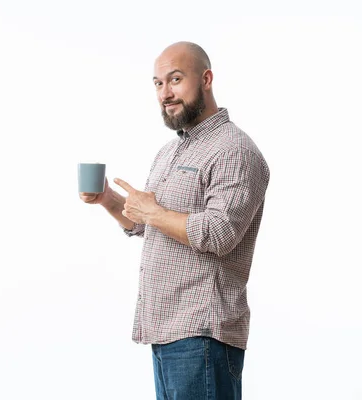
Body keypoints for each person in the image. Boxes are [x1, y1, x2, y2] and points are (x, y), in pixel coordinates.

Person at [79, 41, 270, 400]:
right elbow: (148, 223)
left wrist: (152, 212)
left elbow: (220, 233)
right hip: (165, 331)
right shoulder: (170, 152)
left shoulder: (234, 150)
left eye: (176, 79)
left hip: (203, 335)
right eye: (157, 83)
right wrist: (108, 199)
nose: (165, 93)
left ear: (206, 79)